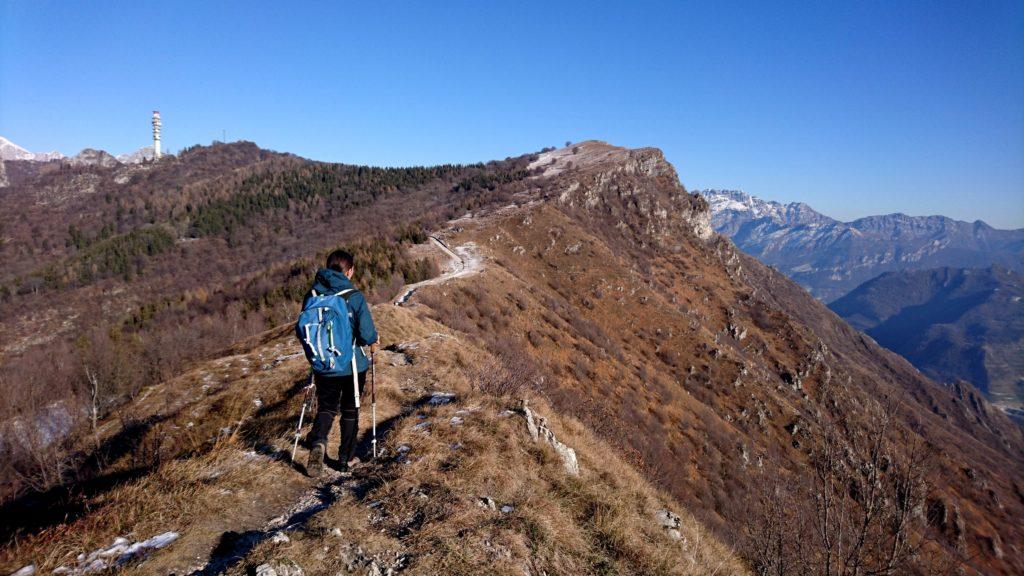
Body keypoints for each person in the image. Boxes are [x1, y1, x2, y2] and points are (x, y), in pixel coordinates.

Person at [303, 249, 378, 476]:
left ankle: (318, 443)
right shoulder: (353, 296)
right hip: (351, 366)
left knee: (326, 408)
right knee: (350, 410)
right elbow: (366, 335)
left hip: (324, 364)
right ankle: (345, 459)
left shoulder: (313, 294)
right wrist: (374, 341)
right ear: (350, 271)